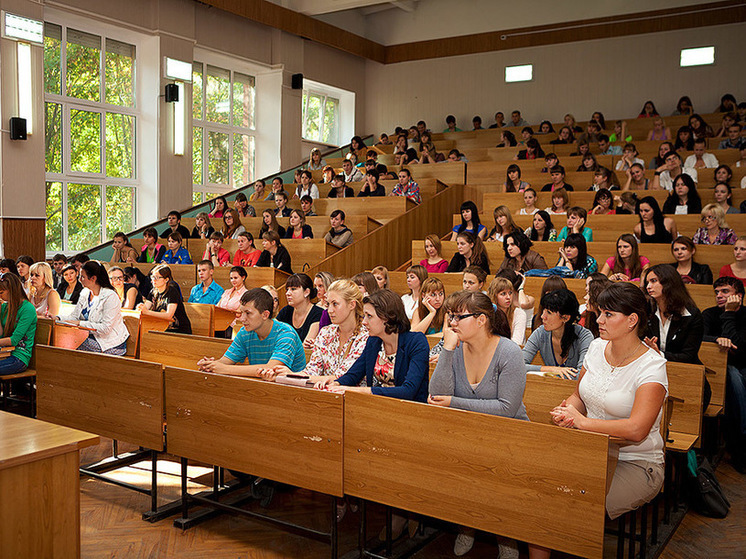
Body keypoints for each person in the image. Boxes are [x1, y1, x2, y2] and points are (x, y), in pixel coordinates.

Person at [550, 283, 666, 521]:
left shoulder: (652, 366)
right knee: (543, 490)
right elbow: (578, 396)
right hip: (590, 451)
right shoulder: (596, 347)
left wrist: (582, 423)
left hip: (635, 462)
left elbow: (636, 429)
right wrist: (567, 411)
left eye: (608, 314)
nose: (599, 320)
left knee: (575, 506)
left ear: (632, 320)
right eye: (600, 312)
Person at [428, 290, 529, 559]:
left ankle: (506, 536)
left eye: (459, 317)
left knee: (498, 478)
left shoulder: (509, 352)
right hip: (468, 434)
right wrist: (448, 350)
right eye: (450, 317)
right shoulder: (456, 348)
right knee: (454, 467)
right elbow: (437, 396)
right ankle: (467, 523)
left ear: (482, 320)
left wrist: (454, 403)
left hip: (510, 437)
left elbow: (507, 409)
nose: (452, 323)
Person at [316, 289, 430, 403]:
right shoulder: (374, 341)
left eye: (369, 316)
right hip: (377, 407)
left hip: (411, 412)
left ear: (387, 317)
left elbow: (408, 391)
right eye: (364, 315)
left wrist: (358, 391)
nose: (364, 322)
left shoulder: (416, 342)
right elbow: (354, 374)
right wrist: (335, 384)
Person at [197, 288, 306, 376]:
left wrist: (224, 368)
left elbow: (270, 369)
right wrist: (210, 365)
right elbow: (224, 362)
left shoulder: (286, 334)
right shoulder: (245, 332)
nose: (242, 319)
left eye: (248, 313)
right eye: (241, 312)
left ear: (265, 315)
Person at [702, 277, 746, 470]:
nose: (719, 295)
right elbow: (700, 337)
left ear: (739, 296)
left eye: (725, 292)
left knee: (737, 377)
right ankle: (740, 445)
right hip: (719, 370)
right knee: (732, 378)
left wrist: (729, 314)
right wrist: (717, 340)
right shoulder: (710, 314)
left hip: (743, 364)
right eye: (717, 292)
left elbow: (740, 347)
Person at [523, 289, 593, 379]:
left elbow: (582, 375)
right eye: (544, 310)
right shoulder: (540, 333)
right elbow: (518, 365)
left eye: (549, 312)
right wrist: (551, 370)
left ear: (565, 318)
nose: (542, 316)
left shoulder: (584, 336)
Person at [642, 264, 703, 364]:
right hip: (652, 368)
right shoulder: (647, 311)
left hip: (685, 372)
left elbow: (688, 356)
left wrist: (659, 354)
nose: (648, 287)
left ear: (669, 282)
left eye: (653, 281)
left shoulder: (691, 315)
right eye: (647, 283)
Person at [66, 261, 129, 355]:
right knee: (61, 336)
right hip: (90, 337)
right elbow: (74, 316)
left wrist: (79, 324)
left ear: (93, 278)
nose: (79, 280)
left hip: (110, 344)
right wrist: (57, 318)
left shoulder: (110, 296)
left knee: (71, 341)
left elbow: (105, 328)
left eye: (83, 277)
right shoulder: (85, 292)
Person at [0, 273, 37, 376]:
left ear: (12, 290)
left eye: (1, 292)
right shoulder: (5, 306)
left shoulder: (27, 308)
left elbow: (14, 340)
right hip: (5, 352)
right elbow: (1, 334)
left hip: (19, 356)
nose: (0, 295)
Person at [138, 264, 192, 334]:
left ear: (166, 279)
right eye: (153, 277)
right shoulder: (153, 292)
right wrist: (141, 308)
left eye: (157, 277)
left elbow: (169, 315)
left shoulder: (172, 291)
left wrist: (147, 312)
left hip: (179, 331)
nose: (154, 280)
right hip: (161, 328)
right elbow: (146, 308)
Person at [276, 273, 323, 343]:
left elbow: (306, 346)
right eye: (287, 289)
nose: (287, 293)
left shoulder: (318, 313)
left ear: (306, 292)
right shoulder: (286, 311)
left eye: (293, 289)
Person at [526, 234, 597, 279]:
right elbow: (556, 273)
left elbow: (579, 278)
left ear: (580, 249)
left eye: (572, 247)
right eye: (566, 247)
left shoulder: (590, 262)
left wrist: (566, 259)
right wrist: (563, 258)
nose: (568, 250)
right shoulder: (564, 257)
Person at [489, 276, 528, 345]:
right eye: (503, 294)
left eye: (510, 293)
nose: (508, 297)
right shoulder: (489, 313)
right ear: (494, 295)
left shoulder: (519, 313)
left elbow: (517, 342)